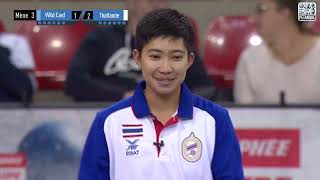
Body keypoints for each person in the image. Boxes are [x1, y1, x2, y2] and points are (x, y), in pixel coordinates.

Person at [78, 9, 244, 180]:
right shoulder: (107, 122)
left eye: (176, 57)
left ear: (190, 60)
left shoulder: (216, 120)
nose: (165, 68)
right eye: (155, 56)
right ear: (137, 58)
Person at [65, 0, 214, 102]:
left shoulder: (179, 41)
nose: (157, 5)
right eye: (150, 0)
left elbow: (204, 87)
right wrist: (123, 96)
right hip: (113, 110)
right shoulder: (101, 37)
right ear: (130, 3)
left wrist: (172, 100)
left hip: (167, 114)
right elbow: (75, 82)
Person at [234, 0, 320, 104]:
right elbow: (245, 116)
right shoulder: (249, 59)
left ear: (285, 13)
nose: (254, 18)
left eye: (262, 10)